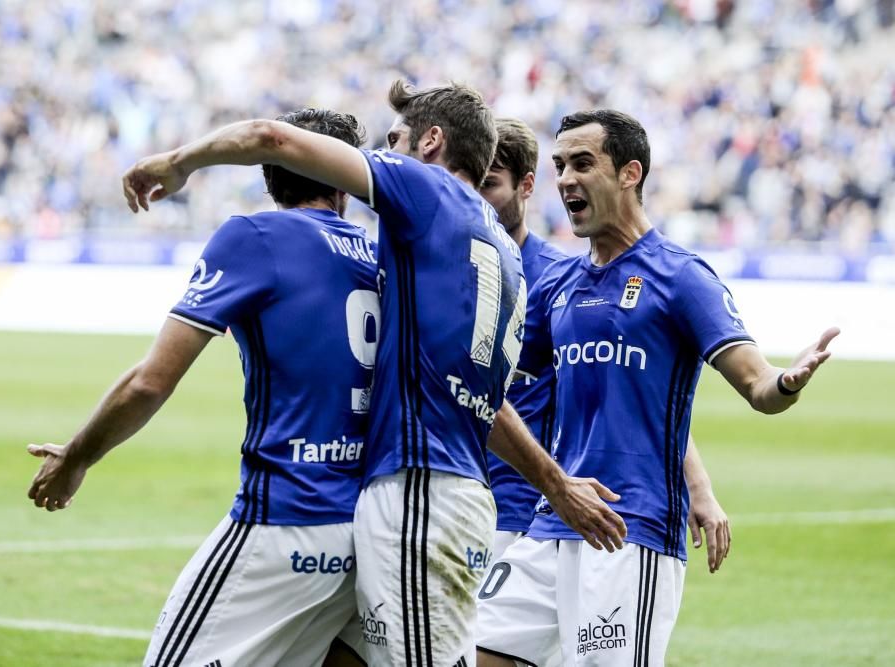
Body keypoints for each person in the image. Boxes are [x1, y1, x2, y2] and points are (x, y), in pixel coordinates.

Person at [122, 80, 627, 667]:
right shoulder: (502, 251)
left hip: (418, 494)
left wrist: (178, 162)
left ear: (432, 142)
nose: (385, 155)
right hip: (448, 489)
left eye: (395, 141)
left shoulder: (428, 191)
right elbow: (478, 403)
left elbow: (271, 136)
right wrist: (557, 484)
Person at [475, 110, 839, 667]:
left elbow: (758, 384)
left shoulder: (680, 276)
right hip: (554, 519)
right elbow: (493, 380)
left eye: (582, 163)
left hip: (630, 529)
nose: (566, 179)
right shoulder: (559, 283)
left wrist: (787, 381)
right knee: (474, 651)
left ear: (629, 173)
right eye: (559, 167)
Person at [26, 108, 377, 667]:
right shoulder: (381, 258)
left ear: (269, 173)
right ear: (345, 183)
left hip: (283, 518)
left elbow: (150, 381)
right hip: (367, 532)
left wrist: (77, 457)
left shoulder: (255, 237)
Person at [479, 118, 732, 569]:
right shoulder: (446, 271)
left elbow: (633, 390)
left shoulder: (555, 278)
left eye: (490, 185)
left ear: (524, 187)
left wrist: (698, 485)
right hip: (464, 496)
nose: (476, 200)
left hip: (532, 505)